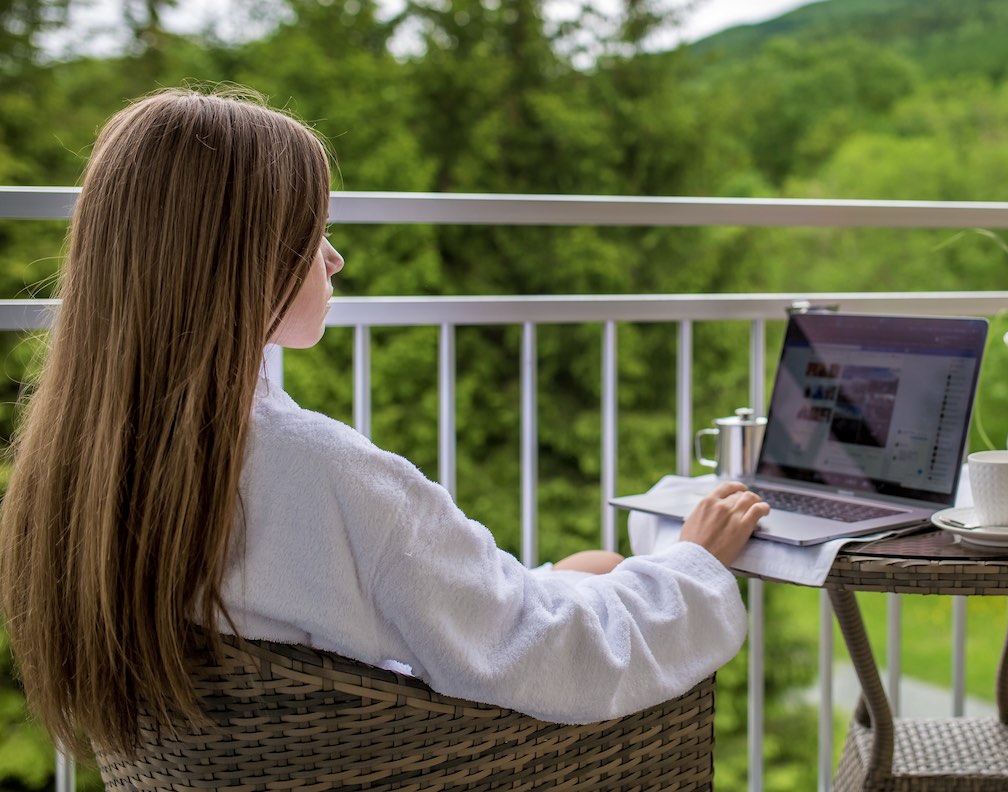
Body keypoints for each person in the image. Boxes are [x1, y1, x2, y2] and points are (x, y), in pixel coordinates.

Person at [0, 87, 769, 760]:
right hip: (416, 754)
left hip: (285, 751)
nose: (333, 260)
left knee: (593, 566)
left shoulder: (89, 459)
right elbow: (542, 652)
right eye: (312, 234)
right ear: (244, 260)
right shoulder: (316, 473)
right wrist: (693, 565)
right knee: (606, 577)